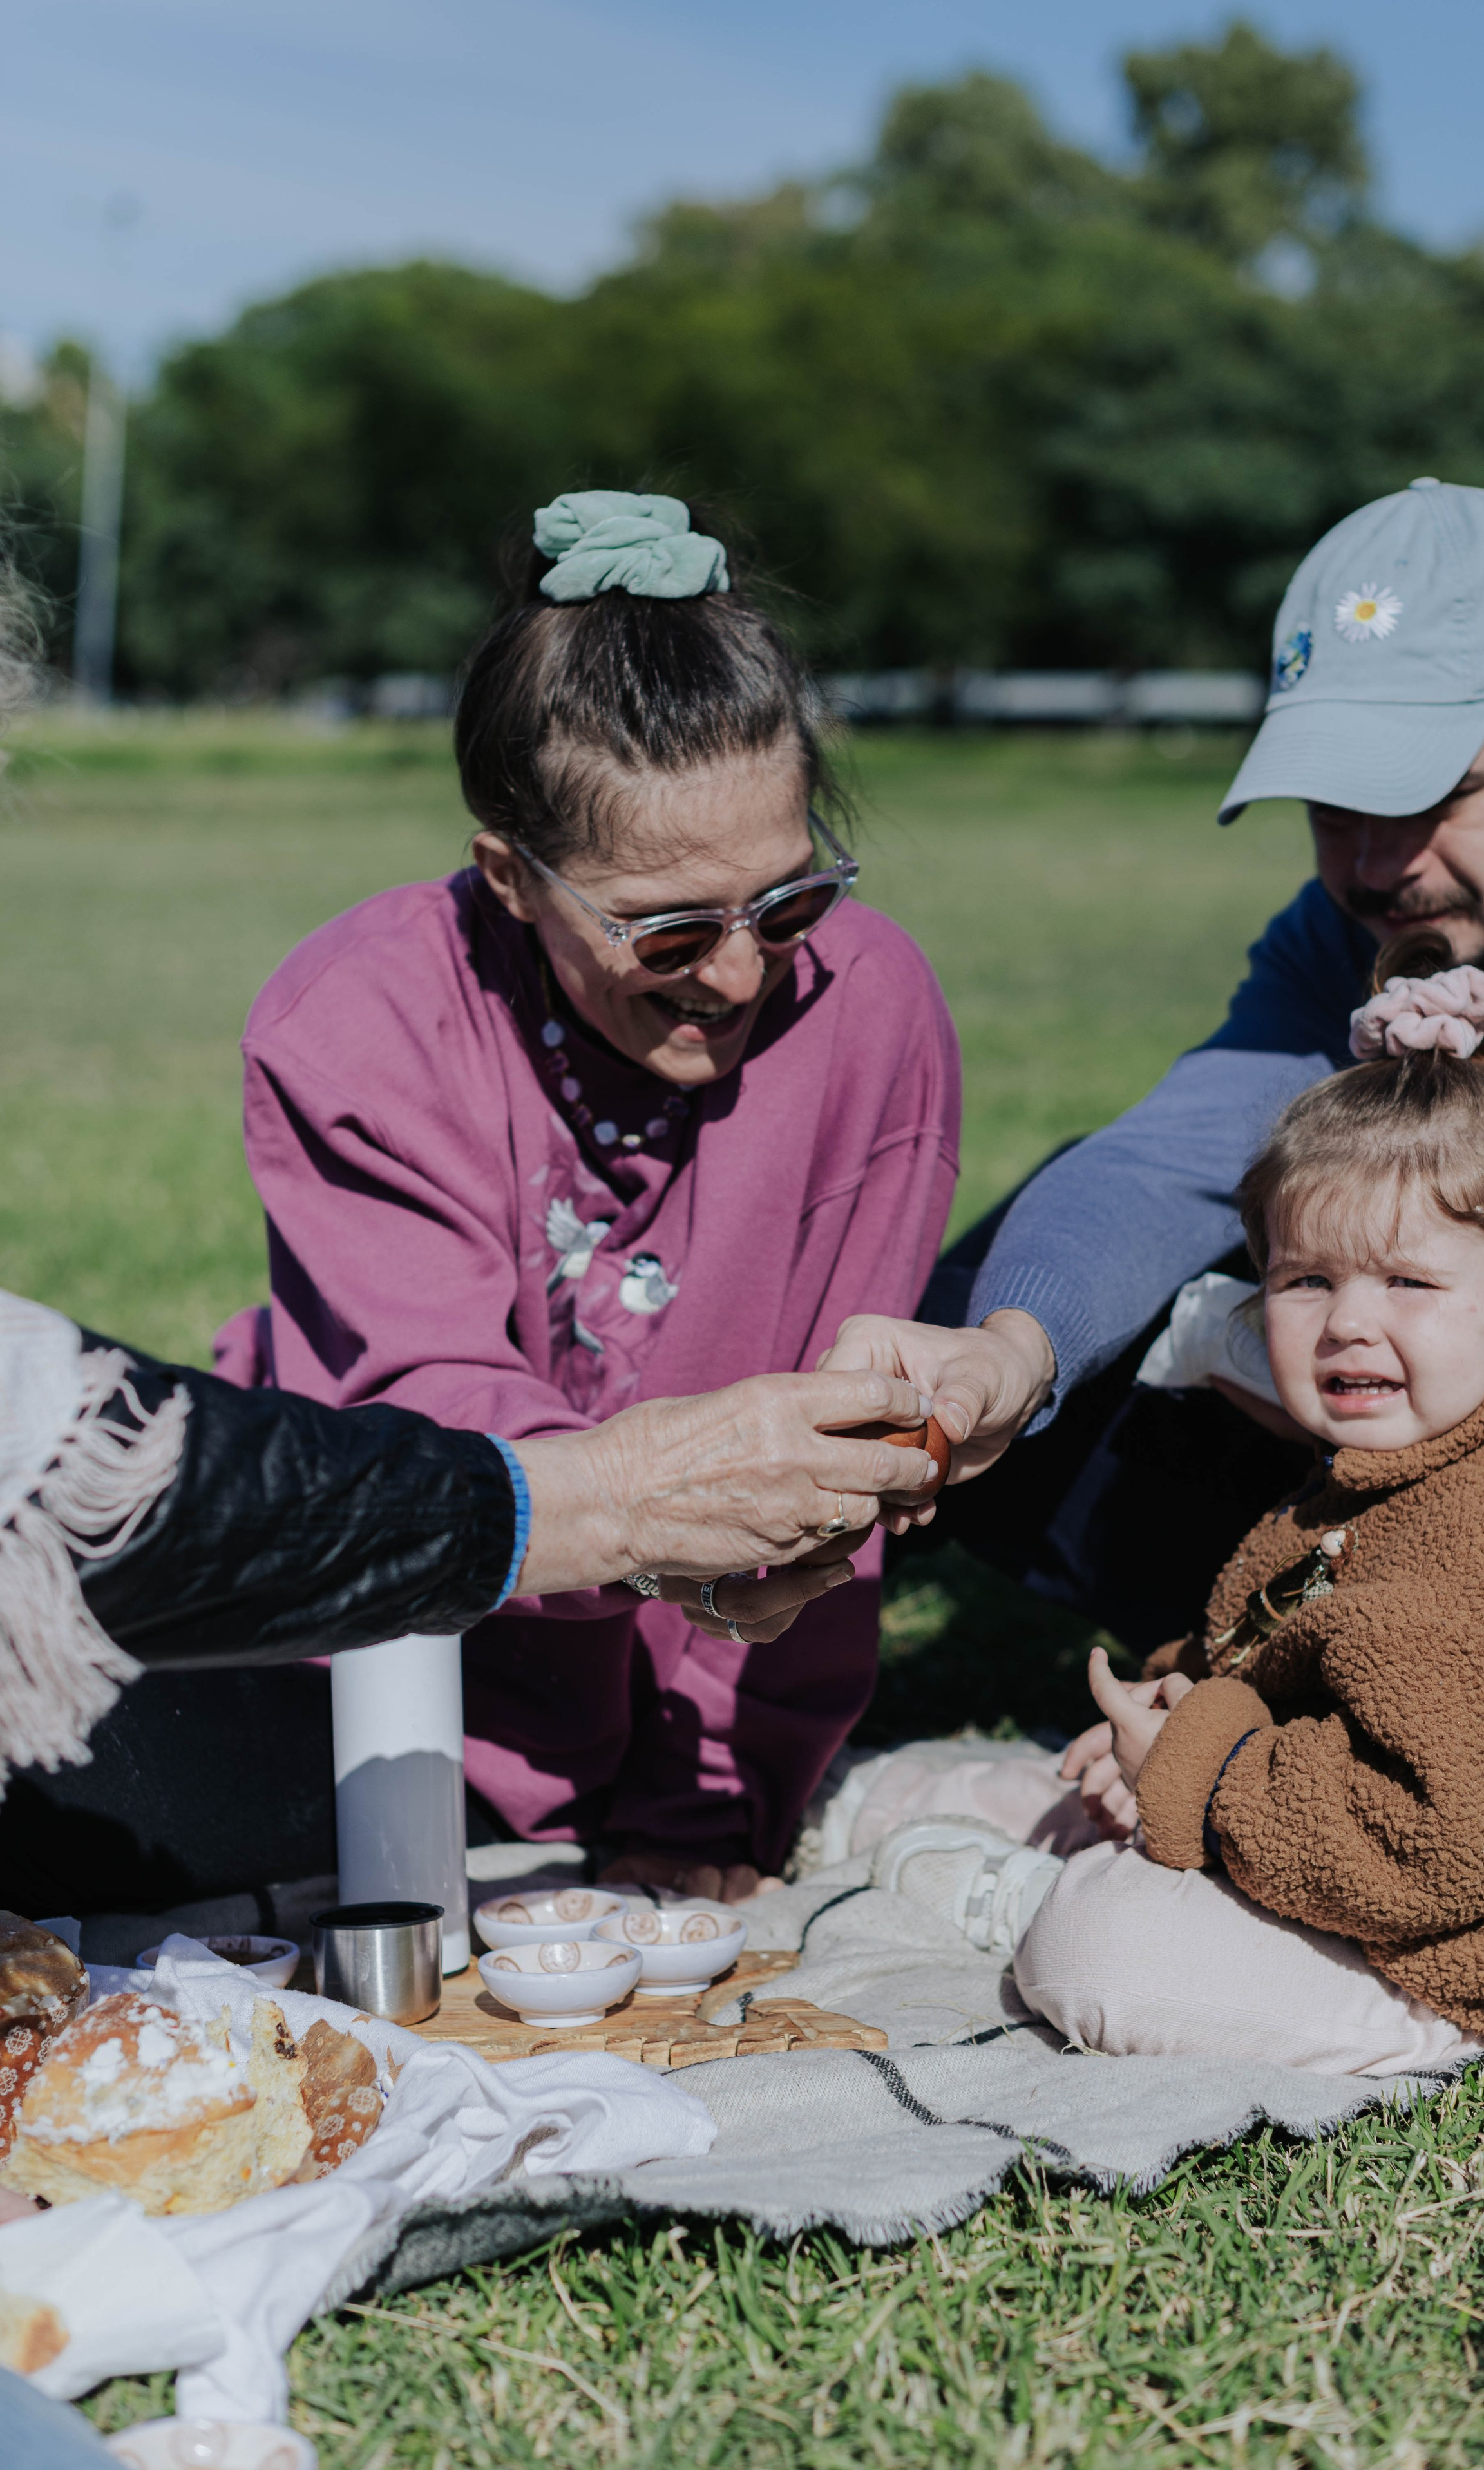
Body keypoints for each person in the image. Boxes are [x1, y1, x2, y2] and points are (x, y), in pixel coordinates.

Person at [0, 551, 936, 1919]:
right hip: (372, 1671)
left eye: (788, 902)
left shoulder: (873, 1008)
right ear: (511, 875)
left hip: (675, 1709)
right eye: (669, 933)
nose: (740, 973)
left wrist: (713, 1794)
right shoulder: (356, 1016)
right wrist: (647, 1517)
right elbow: (427, 1427)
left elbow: (845, 1460)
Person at [830, 480, 1484, 1643]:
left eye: (1432, 797)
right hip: (1408, 1442)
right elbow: (1170, 1159)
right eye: (1333, 809)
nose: (1375, 868)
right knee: (1049, 1274)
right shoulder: (1356, 933)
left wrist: (1454, 1405)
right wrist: (1009, 1354)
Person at [834, 942, 1484, 2071]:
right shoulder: (1404, 1463)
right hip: (1332, 1840)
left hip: (1477, 1950)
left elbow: (1430, 1851)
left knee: (1100, 1950)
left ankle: (1042, 1901)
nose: (1349, 1323)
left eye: (1409, 1283)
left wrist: (1201, 1768)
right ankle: (999, 1830)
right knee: (973, 1790)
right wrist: (1187, 1702)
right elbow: (1295, 1644)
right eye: (1307, 1280)